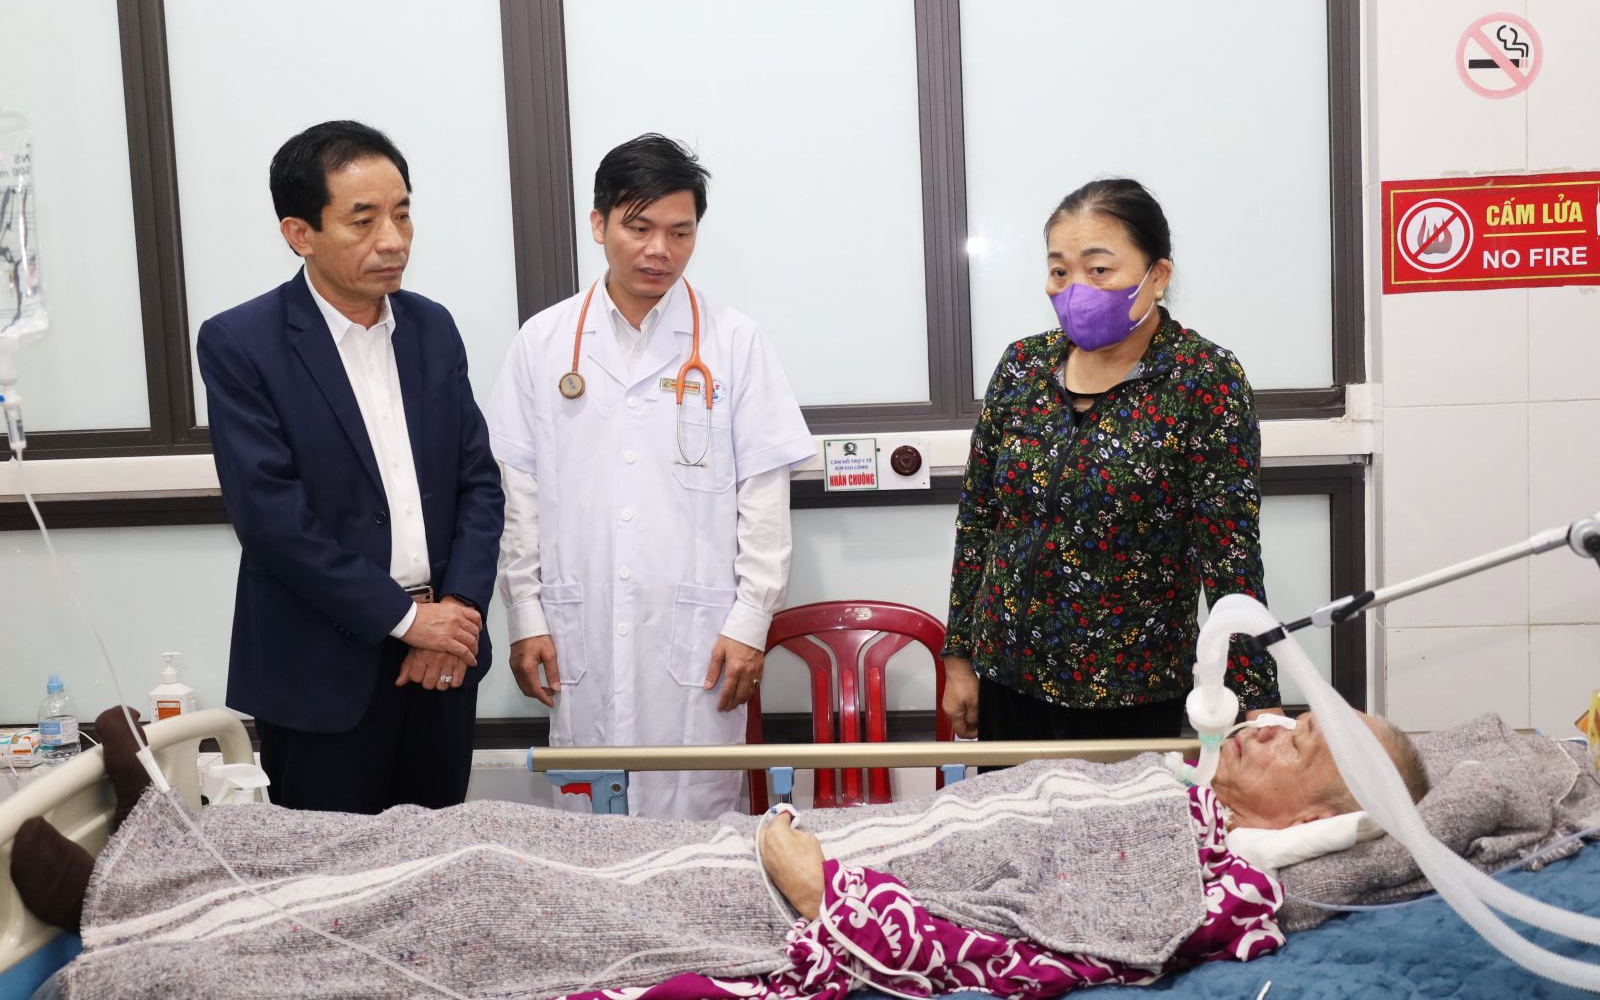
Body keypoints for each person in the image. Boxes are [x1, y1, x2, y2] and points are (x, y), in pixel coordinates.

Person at [10, 705, 1428, 999]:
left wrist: (828, 893)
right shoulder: (1166, 789)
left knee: (476, 897)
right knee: (470, 826)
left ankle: (137, 960)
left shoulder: (1205, 879)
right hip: (783, 850)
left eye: (1301, 736)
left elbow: (1012, 965)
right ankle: (164, 853)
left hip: (780, 910)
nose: (1266, 720)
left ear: (1314, 813)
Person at [486, 134, 814, 820]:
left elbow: (764, 499)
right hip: (579, 626)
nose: (659, 249)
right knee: (588, 831)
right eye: (638, 228)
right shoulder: (543, 343)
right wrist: (525, 614)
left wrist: (751, 620)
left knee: (697, 828)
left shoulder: (735, 342)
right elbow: (520, 498)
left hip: (700, 638)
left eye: (680, 232)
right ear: (599, 223)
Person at [196, 120, 504, 813]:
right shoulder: (242, 343)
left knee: (437, 865)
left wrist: (457, 612)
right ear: (299, 233)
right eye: (363, 221)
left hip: (443, 661)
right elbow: (273, 521)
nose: (392, 240)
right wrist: (404, 620)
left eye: (402, 214)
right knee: (332, 870)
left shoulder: (431, 327)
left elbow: (479, 483)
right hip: (321, 671)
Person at [942, 178, 1277, 745]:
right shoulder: (1023, 367)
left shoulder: (1202, 379)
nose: (1075, 289)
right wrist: (959, 657)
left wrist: (1256, 700)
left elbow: (1229, 553)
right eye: (1059, 271)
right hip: (1008, 677)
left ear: (1158, 276)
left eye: (1099, 269)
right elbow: (978, 520)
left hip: (1130, 690)